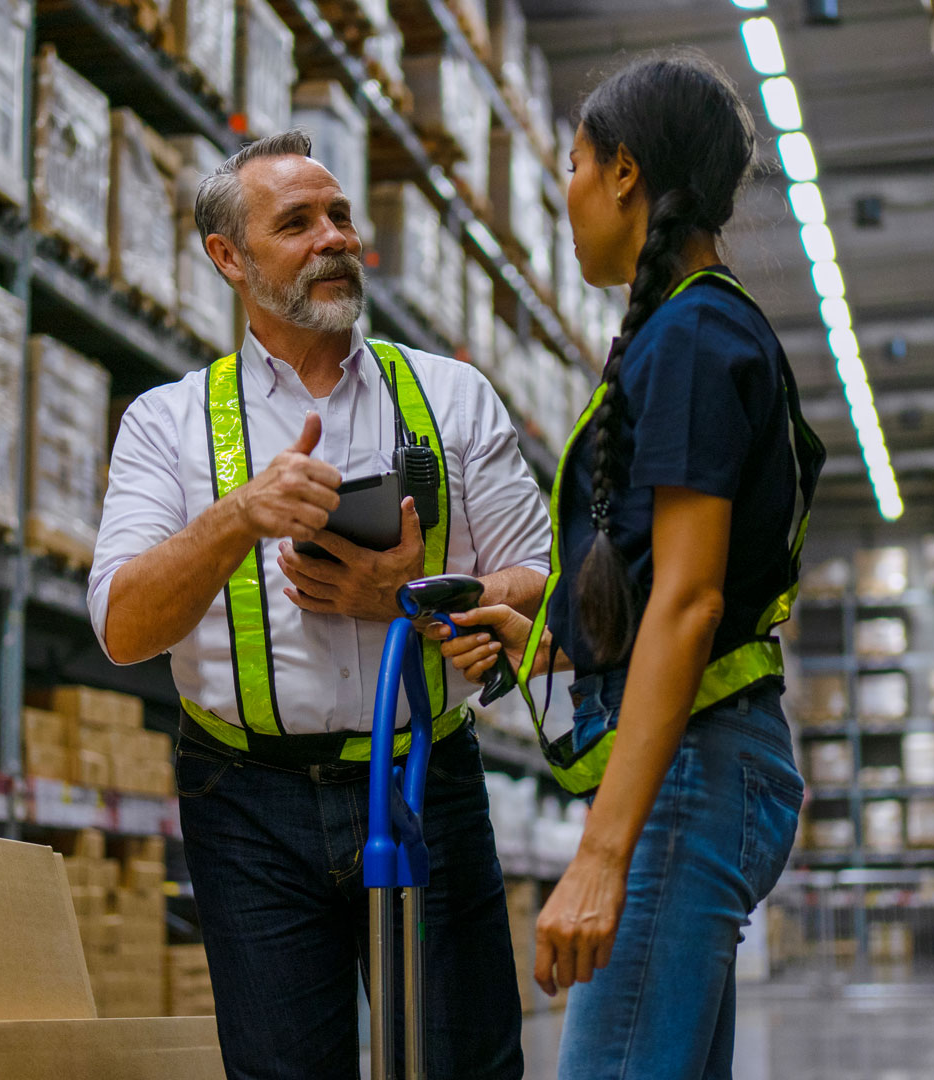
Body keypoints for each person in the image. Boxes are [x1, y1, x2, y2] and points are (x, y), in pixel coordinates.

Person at [87, 129, 548, 1079]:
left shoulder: (451, 398)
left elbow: (538, 581)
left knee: (467, 1064)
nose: (332, 237)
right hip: (246, 800)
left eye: (338, 215)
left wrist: (411, 596)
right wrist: (237, 517)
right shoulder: (166, 422)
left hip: (425, 780)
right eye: (295, 223)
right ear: (229, 257)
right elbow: (125, 627)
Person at [433, 56, 826, 1079]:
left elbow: (691, 606)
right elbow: (663, 596)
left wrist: (601, 859)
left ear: (624, 173)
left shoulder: (693, 334)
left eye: (573, 162)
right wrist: (539, 649)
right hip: (703, 765)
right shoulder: (690, 328)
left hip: (694, 775)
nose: (564, 189)